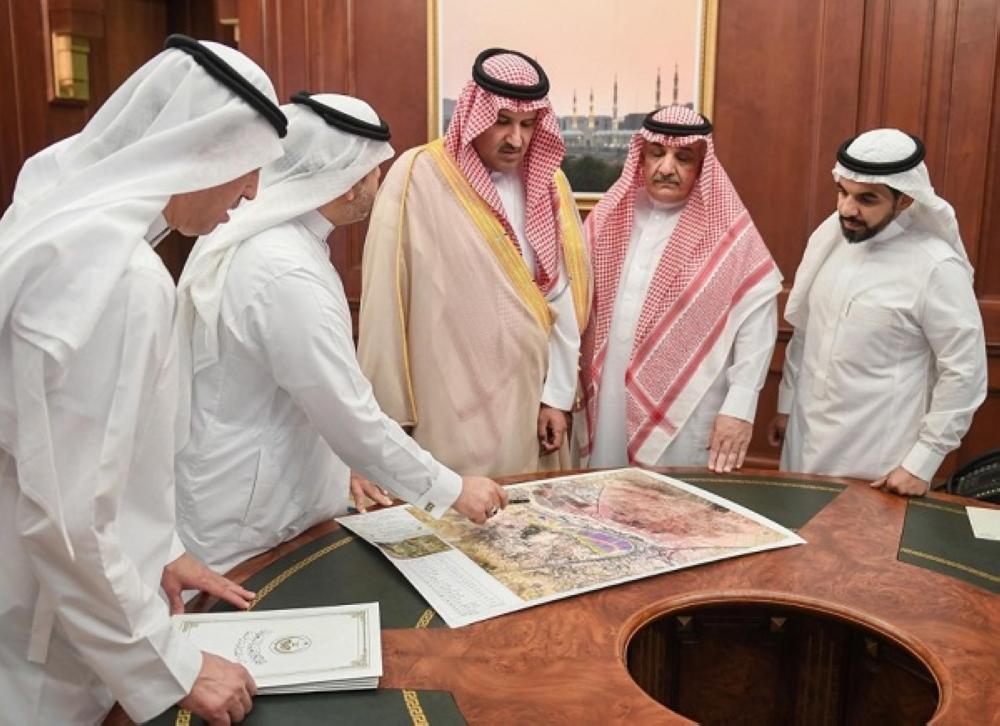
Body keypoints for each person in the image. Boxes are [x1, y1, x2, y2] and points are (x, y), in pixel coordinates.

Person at [0, 36, 288, 724]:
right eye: (246, 165)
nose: (251, 192)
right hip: (55, 638)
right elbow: (69, 519)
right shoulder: (121, 280)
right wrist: (173, 665)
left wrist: (159, 548)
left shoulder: (59, 211)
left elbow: (74, 453)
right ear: (199, 146)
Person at [175, 92, 508, 575]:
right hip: (247, 521)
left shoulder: (283, 244)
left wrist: (344, 466)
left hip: (254, 495)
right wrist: (452, 490)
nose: (380, 181)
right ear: (349, 184)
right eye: (374, 171)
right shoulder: (285, 268)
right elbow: (349, 414)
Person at [357, 48, 591, 477]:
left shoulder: (549, 183)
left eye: (528, 124)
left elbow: (559, 296)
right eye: (502, 121)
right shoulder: (418, 175)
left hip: (527, 395)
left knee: (523, 507)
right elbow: (387, 293)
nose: (516, 139)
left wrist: (557, 396)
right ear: (474, 114)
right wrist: (390, 409)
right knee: (451, 506)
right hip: (446, 396)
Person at [768, 128, 987, 496]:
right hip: (802, 446)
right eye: (843, 192)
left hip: (877, 466)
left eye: (866, 199)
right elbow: (807, 330)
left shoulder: (936, 267)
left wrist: (922, 462)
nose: (847, 209)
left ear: (905, 199)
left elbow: (965, 371)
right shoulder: (829, 239)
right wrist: (786, 403)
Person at [580, 105, 781, 471]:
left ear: (702, 165)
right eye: (656, 154)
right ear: (641, 157)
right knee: (602, 492)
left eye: (682, 158)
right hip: (607, 398)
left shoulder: (729, 234)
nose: (666, 168)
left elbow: (756, 326)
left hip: (686, 409)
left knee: (671, 501)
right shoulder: (609, 219)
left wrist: (739, 407)